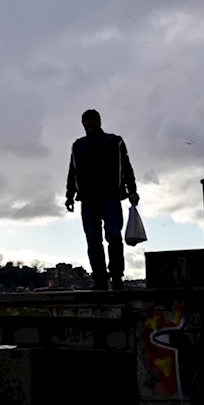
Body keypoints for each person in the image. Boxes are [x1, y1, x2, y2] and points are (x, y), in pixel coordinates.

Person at [65, 109, 139, 290]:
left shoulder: (115, 141)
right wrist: (69, 195)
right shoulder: (78, 146)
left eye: (92, 123)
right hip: (88, 200)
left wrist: (132, 190)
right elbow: (72, 171)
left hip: (111, 197)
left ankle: (116, 277)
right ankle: (99, 279)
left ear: (99, 122)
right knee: (93, 240)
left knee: (114, 237)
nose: (90, 127)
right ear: (83, 125)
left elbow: (127, 167)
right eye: (87, 124)